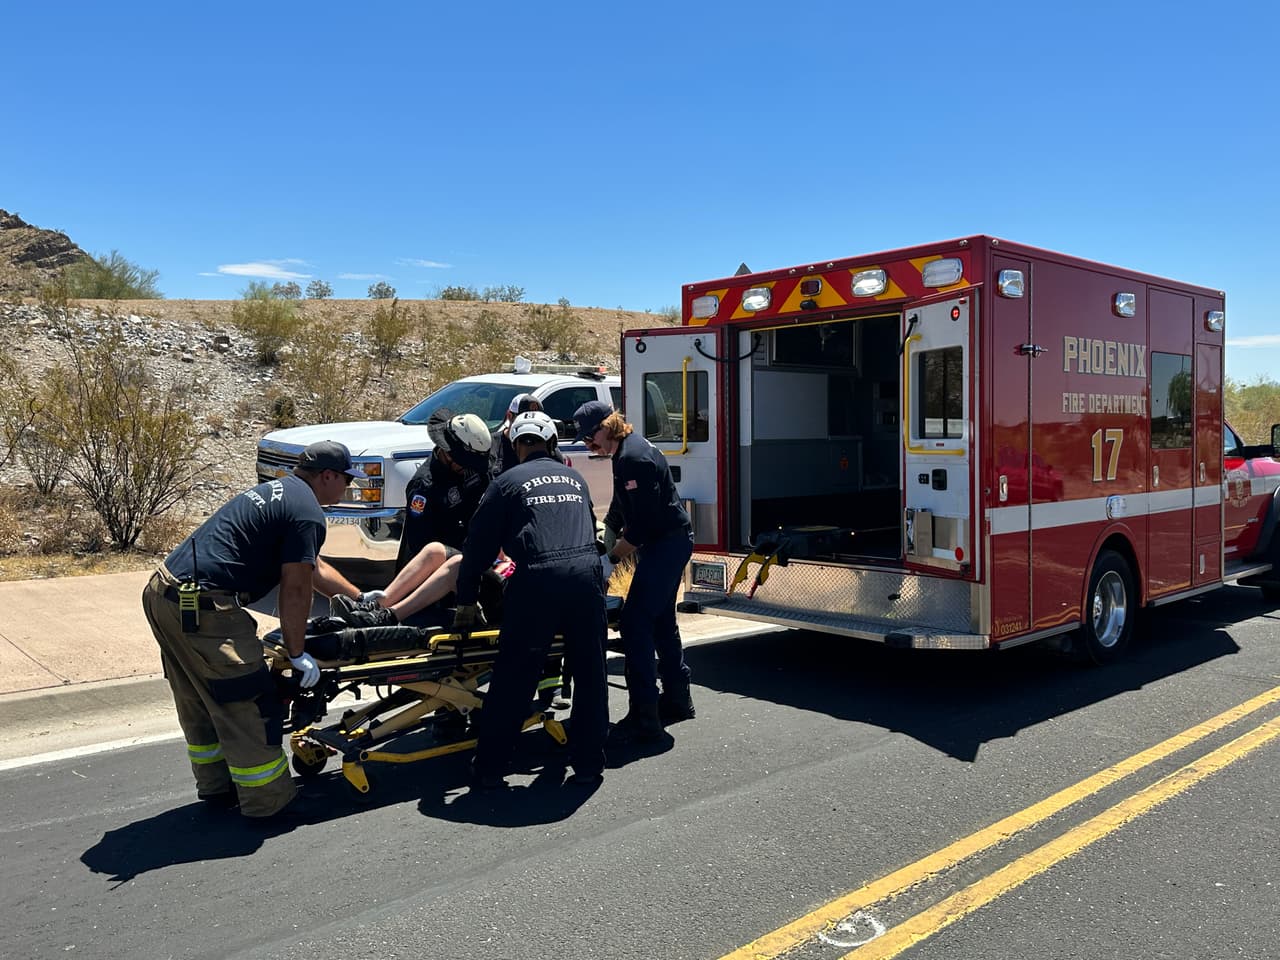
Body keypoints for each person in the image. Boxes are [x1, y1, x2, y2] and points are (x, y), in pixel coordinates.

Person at [141, 440, 368, 819]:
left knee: (201, 698)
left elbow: (312, 565)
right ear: (327, 476)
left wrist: (360, 598)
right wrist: (297, 654)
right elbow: (296, 590)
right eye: (346, 480)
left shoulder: (282, 492)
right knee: (249, 702)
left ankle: (217, 786)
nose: (347, 488)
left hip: (165, 594)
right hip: (205, 607)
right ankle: (269, 802)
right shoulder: (307, 513)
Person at [454, 410, 609, 789]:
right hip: (586, 579)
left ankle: (490, 766)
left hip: (538, 581)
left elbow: (477, 547)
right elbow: (590, 530)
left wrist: (465, 599)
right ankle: (589, 764)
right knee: (591, 674)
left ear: (515, 445)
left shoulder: (506, 483)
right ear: (552, 443)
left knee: (514, 675)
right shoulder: (575, 478)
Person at [574, 399, 695, 742]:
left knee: (634, 623)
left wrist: (611, 559)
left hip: (665, 544)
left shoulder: (633, 458)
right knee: (661, 621)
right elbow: (621, 508)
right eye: (584, 440)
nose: (588, 445)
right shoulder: (625, 452)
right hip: (667, 543)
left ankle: (645, 716)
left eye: (591, 437)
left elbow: (641, 526)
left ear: (608, 425)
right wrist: (605, 531)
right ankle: (677, 699)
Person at [333, 408, 492, 628]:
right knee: (436, 550)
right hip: (454, 554)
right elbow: (420, 542)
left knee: (452, 559)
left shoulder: (476, 466)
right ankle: (377, 607)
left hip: (482, 556)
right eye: (466, 463)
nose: (471, 469)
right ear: (448, 454)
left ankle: (388, 613)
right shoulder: (425, 486)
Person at [490, 394, 566, 477]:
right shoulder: (491, 445)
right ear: (509, 416)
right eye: (524, 418)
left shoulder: (548, 448)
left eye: (536, 418)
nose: (530, 423)